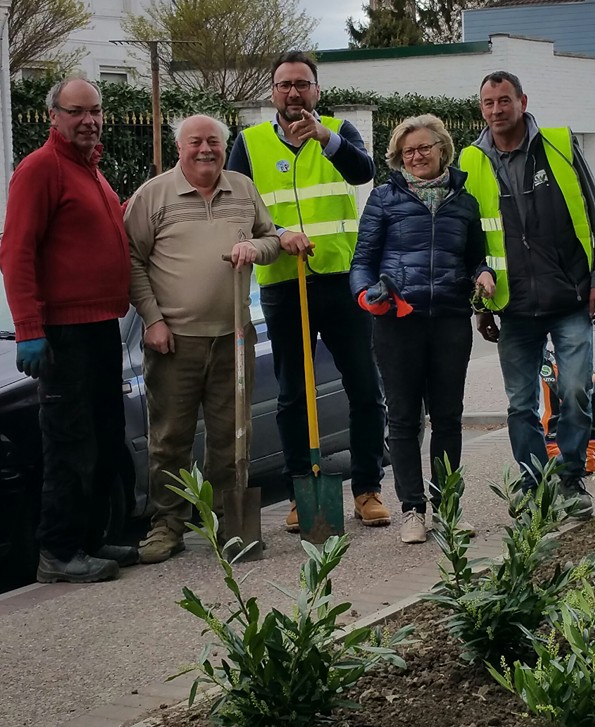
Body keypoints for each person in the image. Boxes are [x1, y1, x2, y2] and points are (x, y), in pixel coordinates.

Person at [226, 50, 390, 532]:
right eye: (284, 85)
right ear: (272, 92)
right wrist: (277, 235)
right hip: (283, 282)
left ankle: (367, 488)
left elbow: (364, 173)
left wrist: (327, 138)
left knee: (364, 385)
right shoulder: (250, 143)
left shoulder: (340, 133)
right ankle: (303, 488)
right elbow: (239, 207)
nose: (293, 92)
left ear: (316, 91)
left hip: (343, 279)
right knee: (294, 394)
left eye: (302, 84)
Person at [124, 114, 280, 564]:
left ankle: (227, 524)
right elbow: (132, 261)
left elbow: (271, 238)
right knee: (169, 437)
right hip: (174, 341)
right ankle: (167, 525)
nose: (206, 149)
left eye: (213, 141)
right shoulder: (153, 195)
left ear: (223, 145)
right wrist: (152, 320)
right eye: (196, 142)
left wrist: (257, 248)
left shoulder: (242, 189)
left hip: (234, 336)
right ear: (180, 147)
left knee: (232, 436)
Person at [458, 71, 595, 519]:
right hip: (513, 306)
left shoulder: (560, 146)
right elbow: (474, 241)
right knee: (520, 403)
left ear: (522, 101)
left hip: (570, 298)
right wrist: (480, 307)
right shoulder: (471, 161)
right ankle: (532, 483)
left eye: (503, 101)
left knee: (575, 388)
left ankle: (569, 478)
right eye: (487, 103)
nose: (495, 110)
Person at [0, 76, 136, 583]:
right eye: (77, 112)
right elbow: (16, 253)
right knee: (69, 442)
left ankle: (93, 538)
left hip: (102, 326)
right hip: (62, 333)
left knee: (104, 434)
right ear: (53, 115)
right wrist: (30, 328)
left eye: (95, 111)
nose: (89, 120)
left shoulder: (92, 172)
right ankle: (57, 552)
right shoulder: (39, 170)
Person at [350, 115, 495, 544]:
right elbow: (361, 262)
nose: (417, 156)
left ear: (441, 149)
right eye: (408, 151)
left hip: (450, 319)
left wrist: (483, 272)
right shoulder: (383, 200)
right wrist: (366, 295)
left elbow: (476, 257)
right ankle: (413, 510)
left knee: (448, 418)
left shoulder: (464, 202)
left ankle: (448, 508)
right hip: (397, 321)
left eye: (424, 148)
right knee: (403, 419)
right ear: (399, 157)